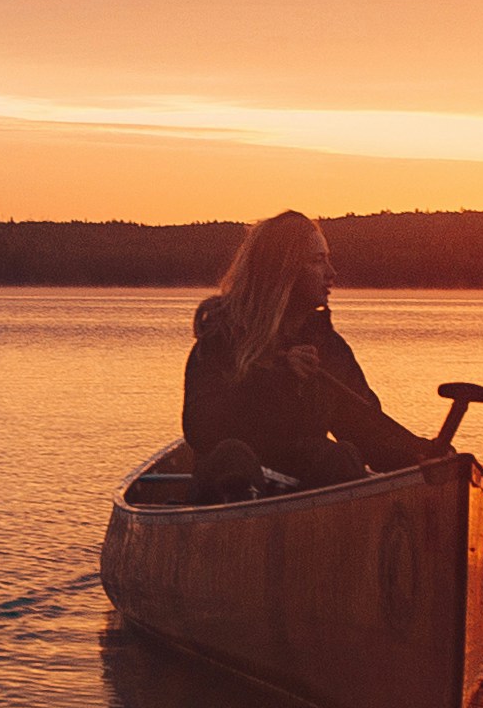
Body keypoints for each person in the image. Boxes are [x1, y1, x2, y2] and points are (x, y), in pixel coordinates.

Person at [181, 211, 437, 497]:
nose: (331, 273)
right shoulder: (221, 340)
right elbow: (201, 429)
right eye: (317, 261)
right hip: (230, 490)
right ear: (282, 270)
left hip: (306, 496)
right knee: (233, 455)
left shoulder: (328, 349)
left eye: (327, 259)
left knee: (340, 456)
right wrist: (278, 377)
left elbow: (365, 430)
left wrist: (421, 454)